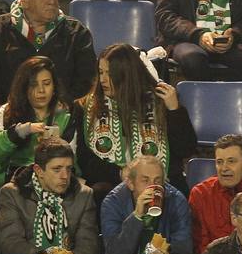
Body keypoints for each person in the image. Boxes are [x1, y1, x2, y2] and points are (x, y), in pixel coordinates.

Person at [73, 43, 197, 195]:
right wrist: (120, 173)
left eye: (110, 74)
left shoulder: (160, 101)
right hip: (113, 184)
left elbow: (186, 149)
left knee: (177, 191)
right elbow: (85, 162)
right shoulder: (86, 107)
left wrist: (175, 111)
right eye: (101, 72)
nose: (103, 80)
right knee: (100, 191)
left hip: (158, 182)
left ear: (127, 74)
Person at [0, 141, 100, 254]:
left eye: (69, 168)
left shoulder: (84, 195)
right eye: (57, 169)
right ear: (39, 170)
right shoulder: (13, 192)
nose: (65, 176)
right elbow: (9, 241)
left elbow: (89, 241)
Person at [0, 0, 95, 113]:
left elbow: (86, 82)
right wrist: (0, 108)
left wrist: (66, 107)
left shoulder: (77, 33)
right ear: (24, 0)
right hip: (9, 114)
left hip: (62, 116)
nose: (51, 1)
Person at [0, 56, 79, 202]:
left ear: (54, 87)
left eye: (46, 84)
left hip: (55, 178)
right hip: (14, 179)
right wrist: (20, 132)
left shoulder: (66, 114)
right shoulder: (7, 112)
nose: (41, 90)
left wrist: (56, 146)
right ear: (24, 87)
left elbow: (72, 159)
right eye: (34, 85)